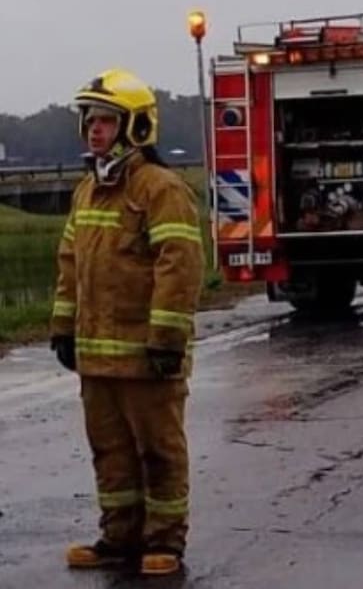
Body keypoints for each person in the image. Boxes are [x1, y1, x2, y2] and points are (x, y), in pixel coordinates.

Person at [49, 68, 204, 577]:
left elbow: (179, 266)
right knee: (110, 452)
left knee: (158, 450)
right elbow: (70, 263)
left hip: (147, 355)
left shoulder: (160, 188)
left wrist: (167, 340)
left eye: (105, 120)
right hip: (97, 357)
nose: (93, 129)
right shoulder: (87, 191)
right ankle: (118, 537)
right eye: (89, 120)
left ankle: (165, 540)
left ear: (135, 126)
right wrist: (63, 327)